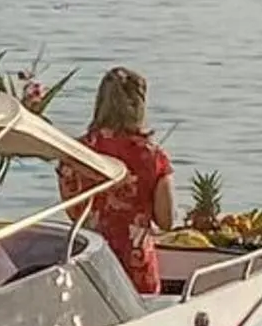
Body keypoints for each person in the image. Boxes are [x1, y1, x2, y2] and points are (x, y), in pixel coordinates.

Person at [60, 66, 176, 295]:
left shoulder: (76, 153)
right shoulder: (153, 157)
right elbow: (166, 221)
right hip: (136, 264)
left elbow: (73, 211)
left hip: (88, 260)